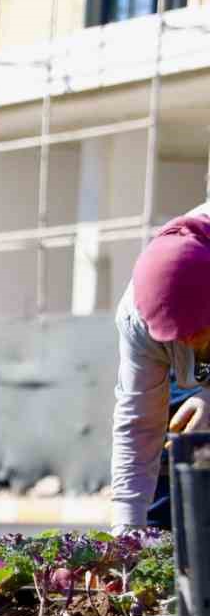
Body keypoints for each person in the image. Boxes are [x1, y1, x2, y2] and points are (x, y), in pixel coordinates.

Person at [111, 204, 210, 529]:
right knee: (178, 445)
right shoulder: (137, 317)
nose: (190, 345)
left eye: (197, 333)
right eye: (179, 337)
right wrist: (125, 535)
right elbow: (137, 425)